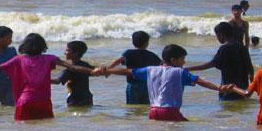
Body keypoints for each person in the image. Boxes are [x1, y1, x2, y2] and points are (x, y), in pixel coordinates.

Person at [0, 33, 95, 121]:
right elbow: (74, 67)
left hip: (25, 102)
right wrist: (96, 71)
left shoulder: (18, 59)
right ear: (43, 46)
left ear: (25, 46)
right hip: (43, 102)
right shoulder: (50, 58)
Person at [98, 44, 233, 121]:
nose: (184, 62)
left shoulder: (150, 70)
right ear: (174, 60)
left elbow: (128, 71)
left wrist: (109, 70)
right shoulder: (181, 72)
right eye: (182, 59)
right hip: (170, 111)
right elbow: (200, 81)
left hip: (153, 111)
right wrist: (219, 88)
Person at [187, 22, 254, 101]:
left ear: (221, 35)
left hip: (228, 89)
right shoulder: (241, 47)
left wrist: (187, 69)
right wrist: (251, 85)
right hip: (242, 89)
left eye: (217, 36)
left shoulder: (224, 49)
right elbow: (250, 67)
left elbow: (209, 65)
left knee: (228, 111)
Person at [107, 31, 161, 104]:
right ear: (147, 43)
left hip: (133, 84)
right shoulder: (152, 55)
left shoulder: (129, 53)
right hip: (147, 86)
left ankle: (134, 115)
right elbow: (162, 66)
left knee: (132, 105)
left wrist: (108, 70)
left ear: (133, 43)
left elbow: (118, 61)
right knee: (145, 105)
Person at [51, 40, 94, 106]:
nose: (65, 53)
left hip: (75, 101)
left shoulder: (69, 70)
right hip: (88, 99)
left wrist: (40, 80)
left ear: (76, 53)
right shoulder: (85, 65)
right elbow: (97, 71)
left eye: (67, 50)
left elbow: (57, 81)